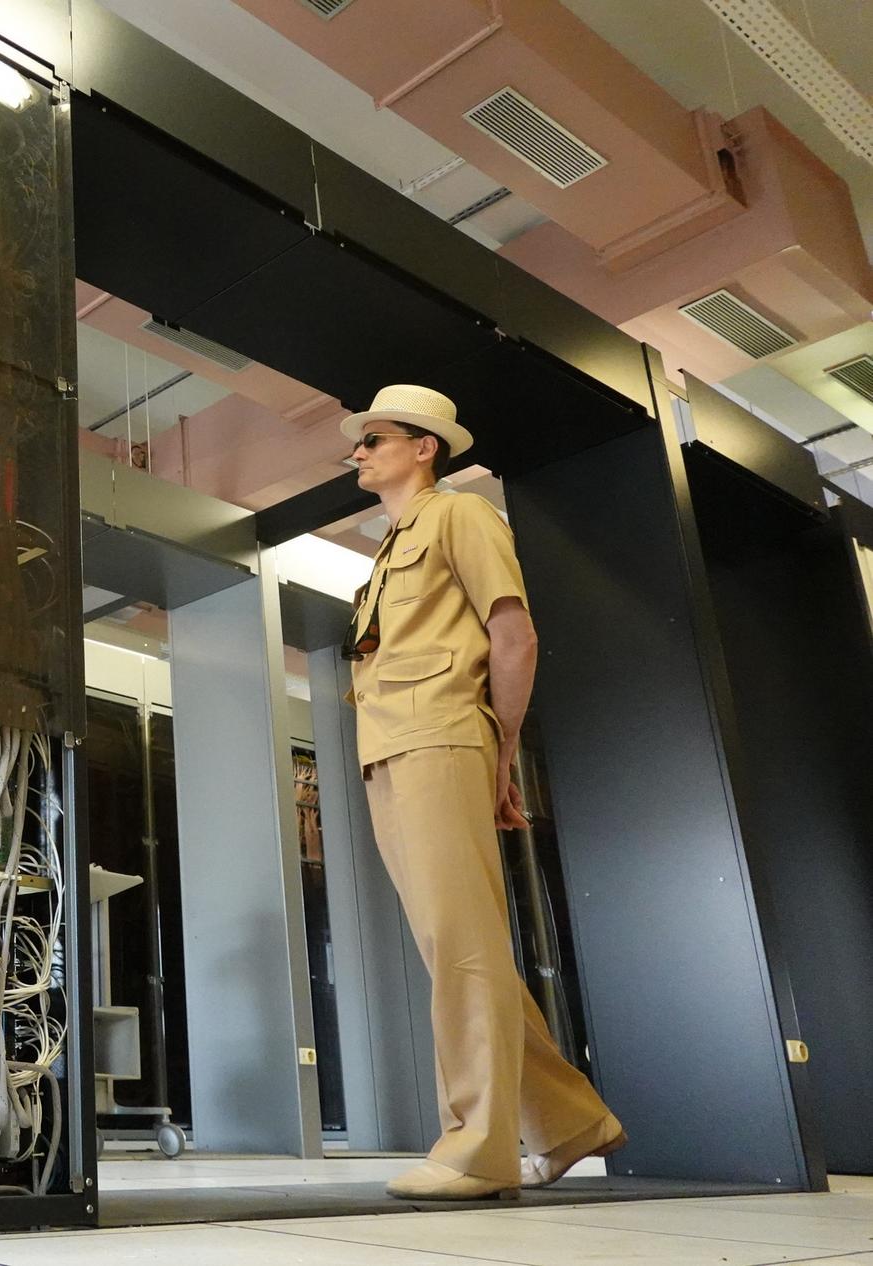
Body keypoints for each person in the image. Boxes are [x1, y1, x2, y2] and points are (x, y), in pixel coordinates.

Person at [341, 384, 625, 1201]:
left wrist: (501, 754)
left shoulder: (461, 515)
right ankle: (569, 1123)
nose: (357, 451)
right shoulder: (388, 547)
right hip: (388, 747)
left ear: (423, 446)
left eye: (373, 439)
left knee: (460, 947)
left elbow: (513, 635)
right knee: (457, 947)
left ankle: (475, 1149)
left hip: (439, 736)